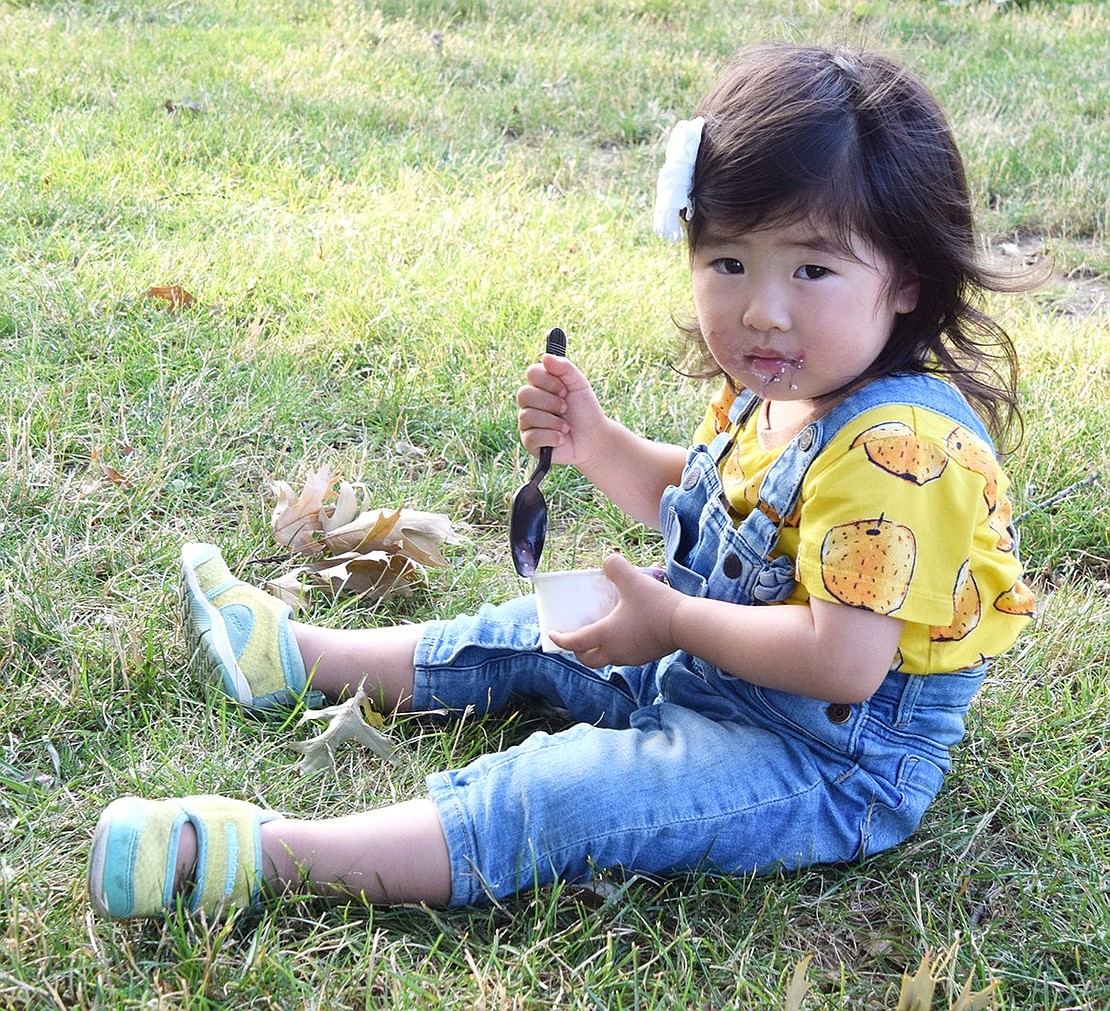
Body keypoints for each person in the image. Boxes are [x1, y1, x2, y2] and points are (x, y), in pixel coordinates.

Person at [88, 42, 1035, 920]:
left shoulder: (904, 449)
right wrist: (598, 442)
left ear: (905, 280)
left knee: (568, 793)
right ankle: (296, 655)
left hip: (820, 756)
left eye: (814, 268)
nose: (763, 310)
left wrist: (668, 622)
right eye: (729, 262)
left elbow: (843, 660)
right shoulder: (783, 391)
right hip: (712, 669)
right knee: (536, 623)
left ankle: (266, 855)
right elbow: (706, 498)